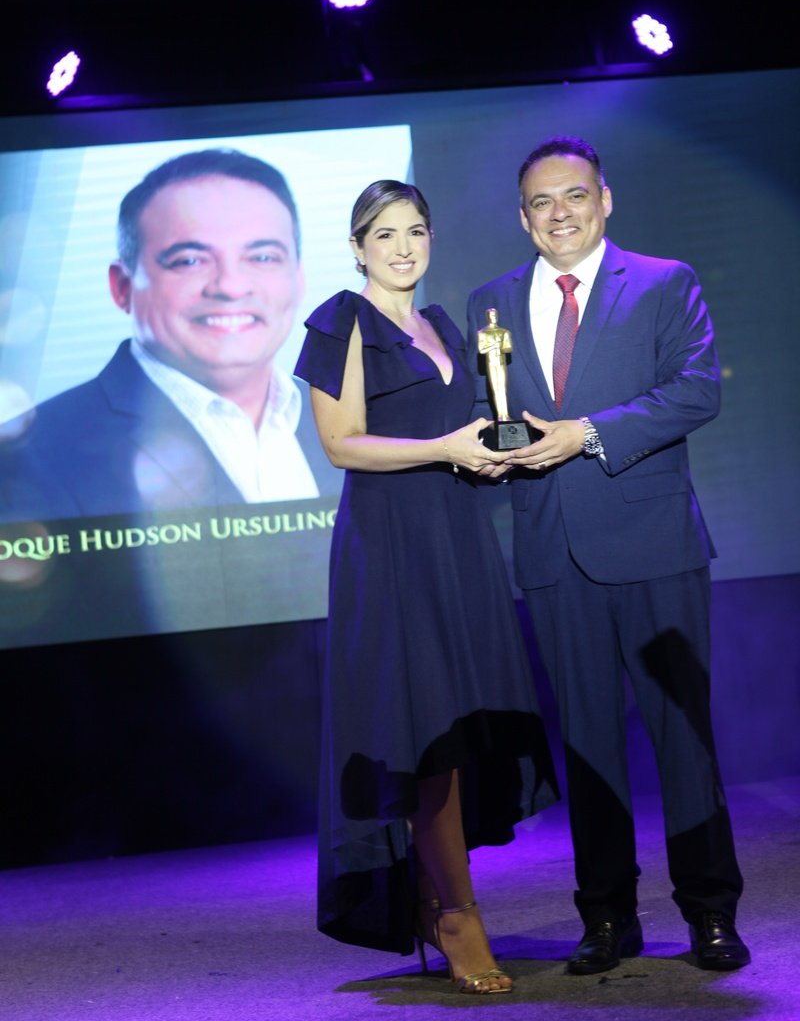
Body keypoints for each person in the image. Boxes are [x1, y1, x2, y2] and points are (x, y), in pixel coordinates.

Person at [466, 135, 749, 975]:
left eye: (575, 195)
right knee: (587, 744)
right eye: (542, 202)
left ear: (605, 200)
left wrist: (586, 433)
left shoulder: (664, 282)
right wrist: (482, 453)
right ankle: (606, 917)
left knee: (683, 737)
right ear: (524, 218)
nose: (560, 213)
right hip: (552, 551)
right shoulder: (491, 302)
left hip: (655, 545)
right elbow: (489, 414)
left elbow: (696, 390)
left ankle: (710, 912)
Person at [294, 180, 558, 993]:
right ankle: (456, 915)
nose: (403, 247)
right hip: (392, 545)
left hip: (457, 536)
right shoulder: (342, 320)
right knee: (428, 731)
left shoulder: (444, 324)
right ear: (357, 247)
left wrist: (489, 455)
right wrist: (446, 447)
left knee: (462, 725)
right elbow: (341, 444)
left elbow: (465, 429)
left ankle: (432, 897)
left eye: (415, 231)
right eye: (384, 234)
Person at [1, 148, 339, 520]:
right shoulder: (23, 461)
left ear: (297, 278)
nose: (230, 286)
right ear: (122, 287)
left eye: (263, 257)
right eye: (189, 261)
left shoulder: (353, 417)